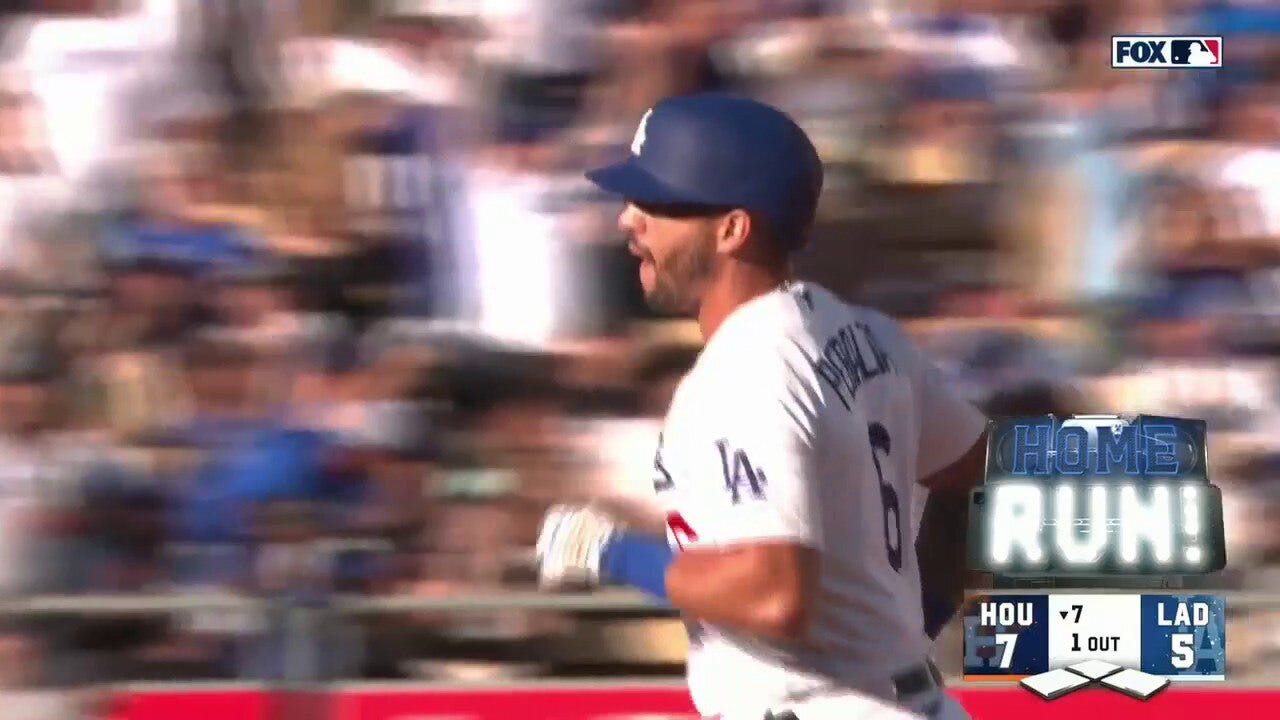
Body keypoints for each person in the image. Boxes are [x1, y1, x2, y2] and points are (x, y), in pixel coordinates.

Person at [535, 93, 988, 720]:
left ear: (732, 229)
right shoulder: (865, 334)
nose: (628, 220)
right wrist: (920, 612)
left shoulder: (747, 371)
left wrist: (610, 552)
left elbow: (775, 594)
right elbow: (981, 475)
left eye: (659, 204)